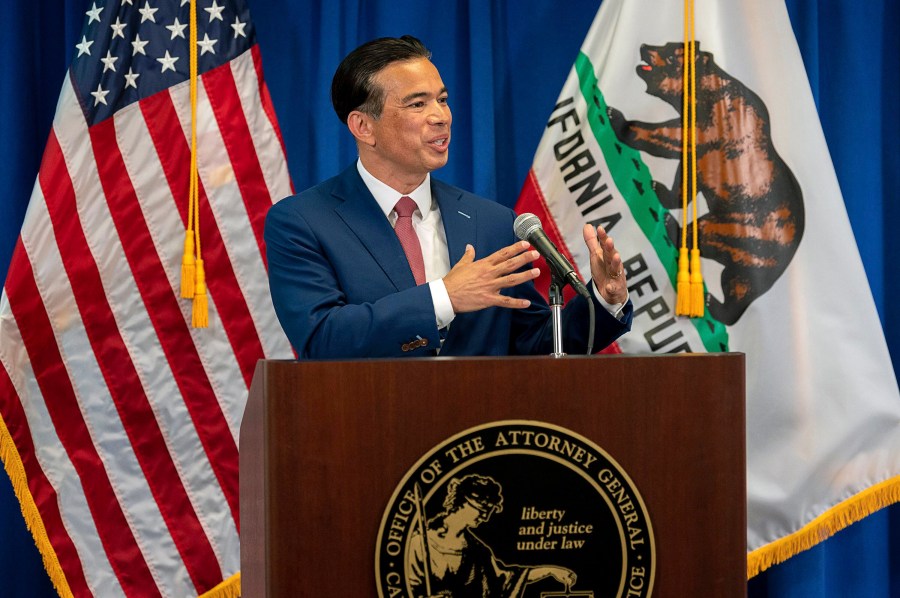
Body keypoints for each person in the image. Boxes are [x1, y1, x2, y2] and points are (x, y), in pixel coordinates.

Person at [265, 35, 632, 358]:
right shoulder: (303, 221)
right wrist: (444, 298)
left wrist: (605, 298)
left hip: (479, 432)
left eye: (442, 99)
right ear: (363, 126)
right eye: (417, 104)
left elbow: (534, 343)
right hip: (367, 428)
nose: (441, 116)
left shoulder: (493, 223)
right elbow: (322, 338)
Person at [406, 474, 576, 597]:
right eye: (482, 509)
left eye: (489, 512)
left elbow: (507, 579)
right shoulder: (420, 543)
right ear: (462, 502)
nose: (485, 517)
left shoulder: (477, 550)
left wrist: (550, 571)